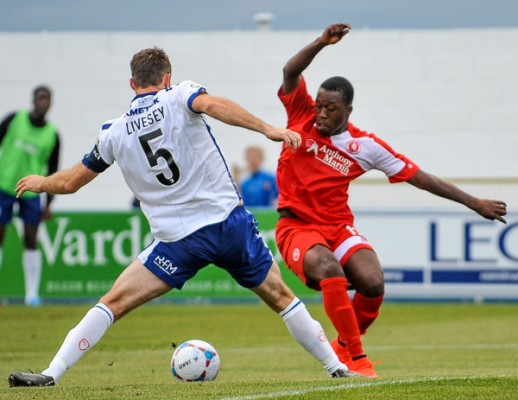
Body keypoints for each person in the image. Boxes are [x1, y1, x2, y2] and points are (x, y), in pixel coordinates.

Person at [8, 47, 356, 388]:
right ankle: (336, 367)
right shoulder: (179, 95)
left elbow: (69, 182)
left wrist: (42, 183)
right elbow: (213, 104)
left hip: (178, 242)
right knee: (282, 297)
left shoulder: (112, 132)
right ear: (167, 77)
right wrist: (267, 129)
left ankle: (52, 372)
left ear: (132, 84)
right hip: (227, 225)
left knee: (113, 302)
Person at [274, 23, 508, 378]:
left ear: (348, 111)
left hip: (337, 225)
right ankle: (356, 358)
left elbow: (420, 178)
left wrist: (474, 203)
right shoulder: (300, 116)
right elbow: (291, 71)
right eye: (319, 105)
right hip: (296, 226)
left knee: (373, 282)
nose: (321, 113)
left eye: (330, 108)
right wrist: (321, 43)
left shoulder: (365, 146)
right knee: (328, 268)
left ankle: (343, 343)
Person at [0, 85, 60, 307]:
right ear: (33, 100)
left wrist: (49, 202)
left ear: (50, 103)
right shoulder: (14, 120)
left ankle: (32, 295)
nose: (44, 102)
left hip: (31, 192)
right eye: (40, 98)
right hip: (4, 186)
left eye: (47, 99)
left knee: (31, 239)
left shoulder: (52, 134)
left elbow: (53, 170)